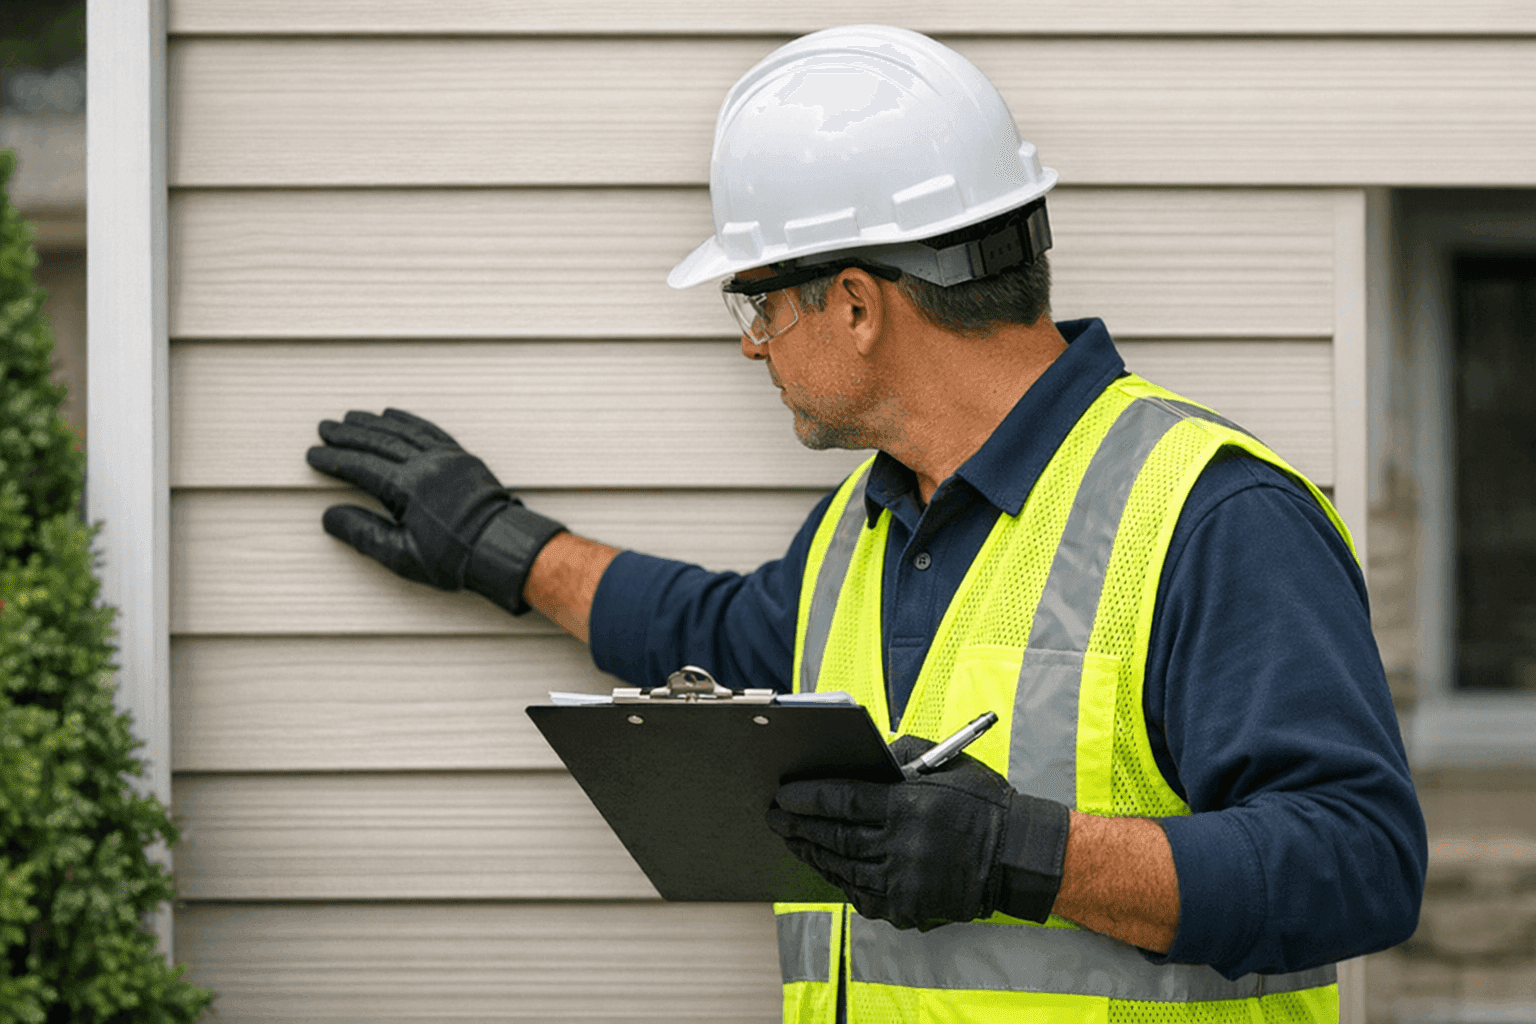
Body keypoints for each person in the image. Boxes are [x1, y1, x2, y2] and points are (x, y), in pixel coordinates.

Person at [305, 25, 1426, 1024]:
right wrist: (504, 544)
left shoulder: (1212, 514)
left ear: (854, 302)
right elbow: (724, 635)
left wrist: (1020, 855)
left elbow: (1362, 860)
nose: (751, 341)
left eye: (759, 300)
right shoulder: (867, 521)